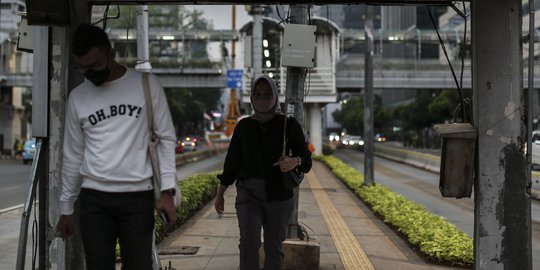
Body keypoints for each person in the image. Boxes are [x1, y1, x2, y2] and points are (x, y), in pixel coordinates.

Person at [56, 24, 177, 270]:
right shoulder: (78, 97)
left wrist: (167, 191)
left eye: (95, 65)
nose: (90, 73)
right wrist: (66, 207)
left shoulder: (146, 85)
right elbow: (72, 154)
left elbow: (165, 139)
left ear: (111, 53)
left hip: (137, 198)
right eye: (84, 68)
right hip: (94, 200)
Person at [214, 75, 312, 270]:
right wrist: (220, 194)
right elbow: (232, 163)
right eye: (257, 94)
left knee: (274, 248)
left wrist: (295, 161)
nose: (262, 98)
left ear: (276, 96)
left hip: (279, 197)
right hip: (248, 195)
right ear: (251, 97)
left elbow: (306, 160)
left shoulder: (289, 125)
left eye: (267, 93)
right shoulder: (244, 126)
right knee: (249, 244)